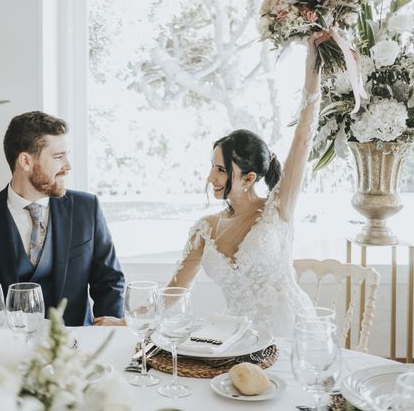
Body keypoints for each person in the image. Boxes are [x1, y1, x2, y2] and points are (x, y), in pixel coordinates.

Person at [94, 32, 328, 334]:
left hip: (292, 334)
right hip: (237, 338)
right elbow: (172, 294)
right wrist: (126, 321)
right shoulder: (205, 229)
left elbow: (304, 137)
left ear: (249, 178)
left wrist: (313, 65)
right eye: (211, 167)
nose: (211, 178)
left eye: (220, 170)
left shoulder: (278, 209)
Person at [0, 111, 125, 329]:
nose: (68, 165)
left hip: (75, 348)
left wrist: (106, 340)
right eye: (58, 157)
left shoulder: (87, 208)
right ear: (26, 161)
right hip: (4, 353)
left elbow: (110, 282)